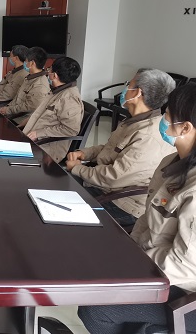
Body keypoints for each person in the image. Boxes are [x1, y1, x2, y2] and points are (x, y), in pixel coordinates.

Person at [78, 83, 196, 334]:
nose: (162, 120)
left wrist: (133, 267)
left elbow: (185, 265)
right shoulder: (171, 163)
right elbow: (147, 218)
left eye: (167, 115)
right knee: (93, 267)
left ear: (185, 128)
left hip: (185, 290)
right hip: (155, 265)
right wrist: (129, 253)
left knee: (95, 309)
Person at [66, 68, 176, 226]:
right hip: (104, 186)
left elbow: (114, 177)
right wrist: (85, 153)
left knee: (62, 203)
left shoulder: (148, 136)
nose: (125, 89)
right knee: (57, 183)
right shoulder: (135, 120)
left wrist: (77, 168)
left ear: (137, 92)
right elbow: (111, 148)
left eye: (128, 84)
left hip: (122, 203)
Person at [20, 56, 83, 163]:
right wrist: (28, 121)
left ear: (54, 75)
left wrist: (39, 133)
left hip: (46, 148)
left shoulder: (69, 99)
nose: (47, 72)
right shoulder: (57, 90)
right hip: (34, 140)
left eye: (49, 69)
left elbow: (71, 130)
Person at [0, 47, 50, 118]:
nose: (24, 63)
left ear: (32, 63)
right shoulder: (30, 78)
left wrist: (8, 110)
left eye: (26, 61)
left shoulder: (40, 85)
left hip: (20, 118)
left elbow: (29, 107)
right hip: (12, 111)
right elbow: (17, 99)